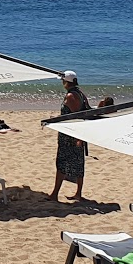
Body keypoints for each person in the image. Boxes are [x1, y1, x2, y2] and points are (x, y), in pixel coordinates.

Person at [47, 71, 91, 202]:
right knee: (78, 163)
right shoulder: (81, 94)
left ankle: (55, 194)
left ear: (67, 82)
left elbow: (75, 115)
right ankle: (78, 193)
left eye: (63, 81)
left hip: (69, 135)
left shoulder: (71, 96)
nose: (62, 83)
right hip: (76, 133)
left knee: (61, 163)